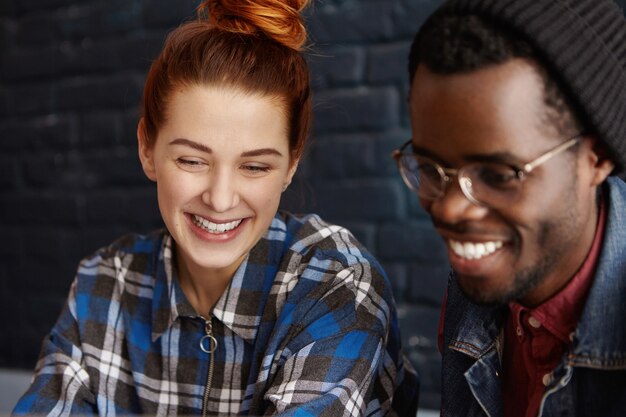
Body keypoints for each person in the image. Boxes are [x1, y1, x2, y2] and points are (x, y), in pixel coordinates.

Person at [12, 1, 419, 415]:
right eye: (192, 160)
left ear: (291, 164)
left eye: (255, 166)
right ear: (147, 149)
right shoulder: (102, 287)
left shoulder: (335, 285)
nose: (221, 199)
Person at [393, 0, 626, 416]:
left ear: (598, 156)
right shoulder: (483, 287)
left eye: (498, 174)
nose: (450, 210)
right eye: (430, 167)